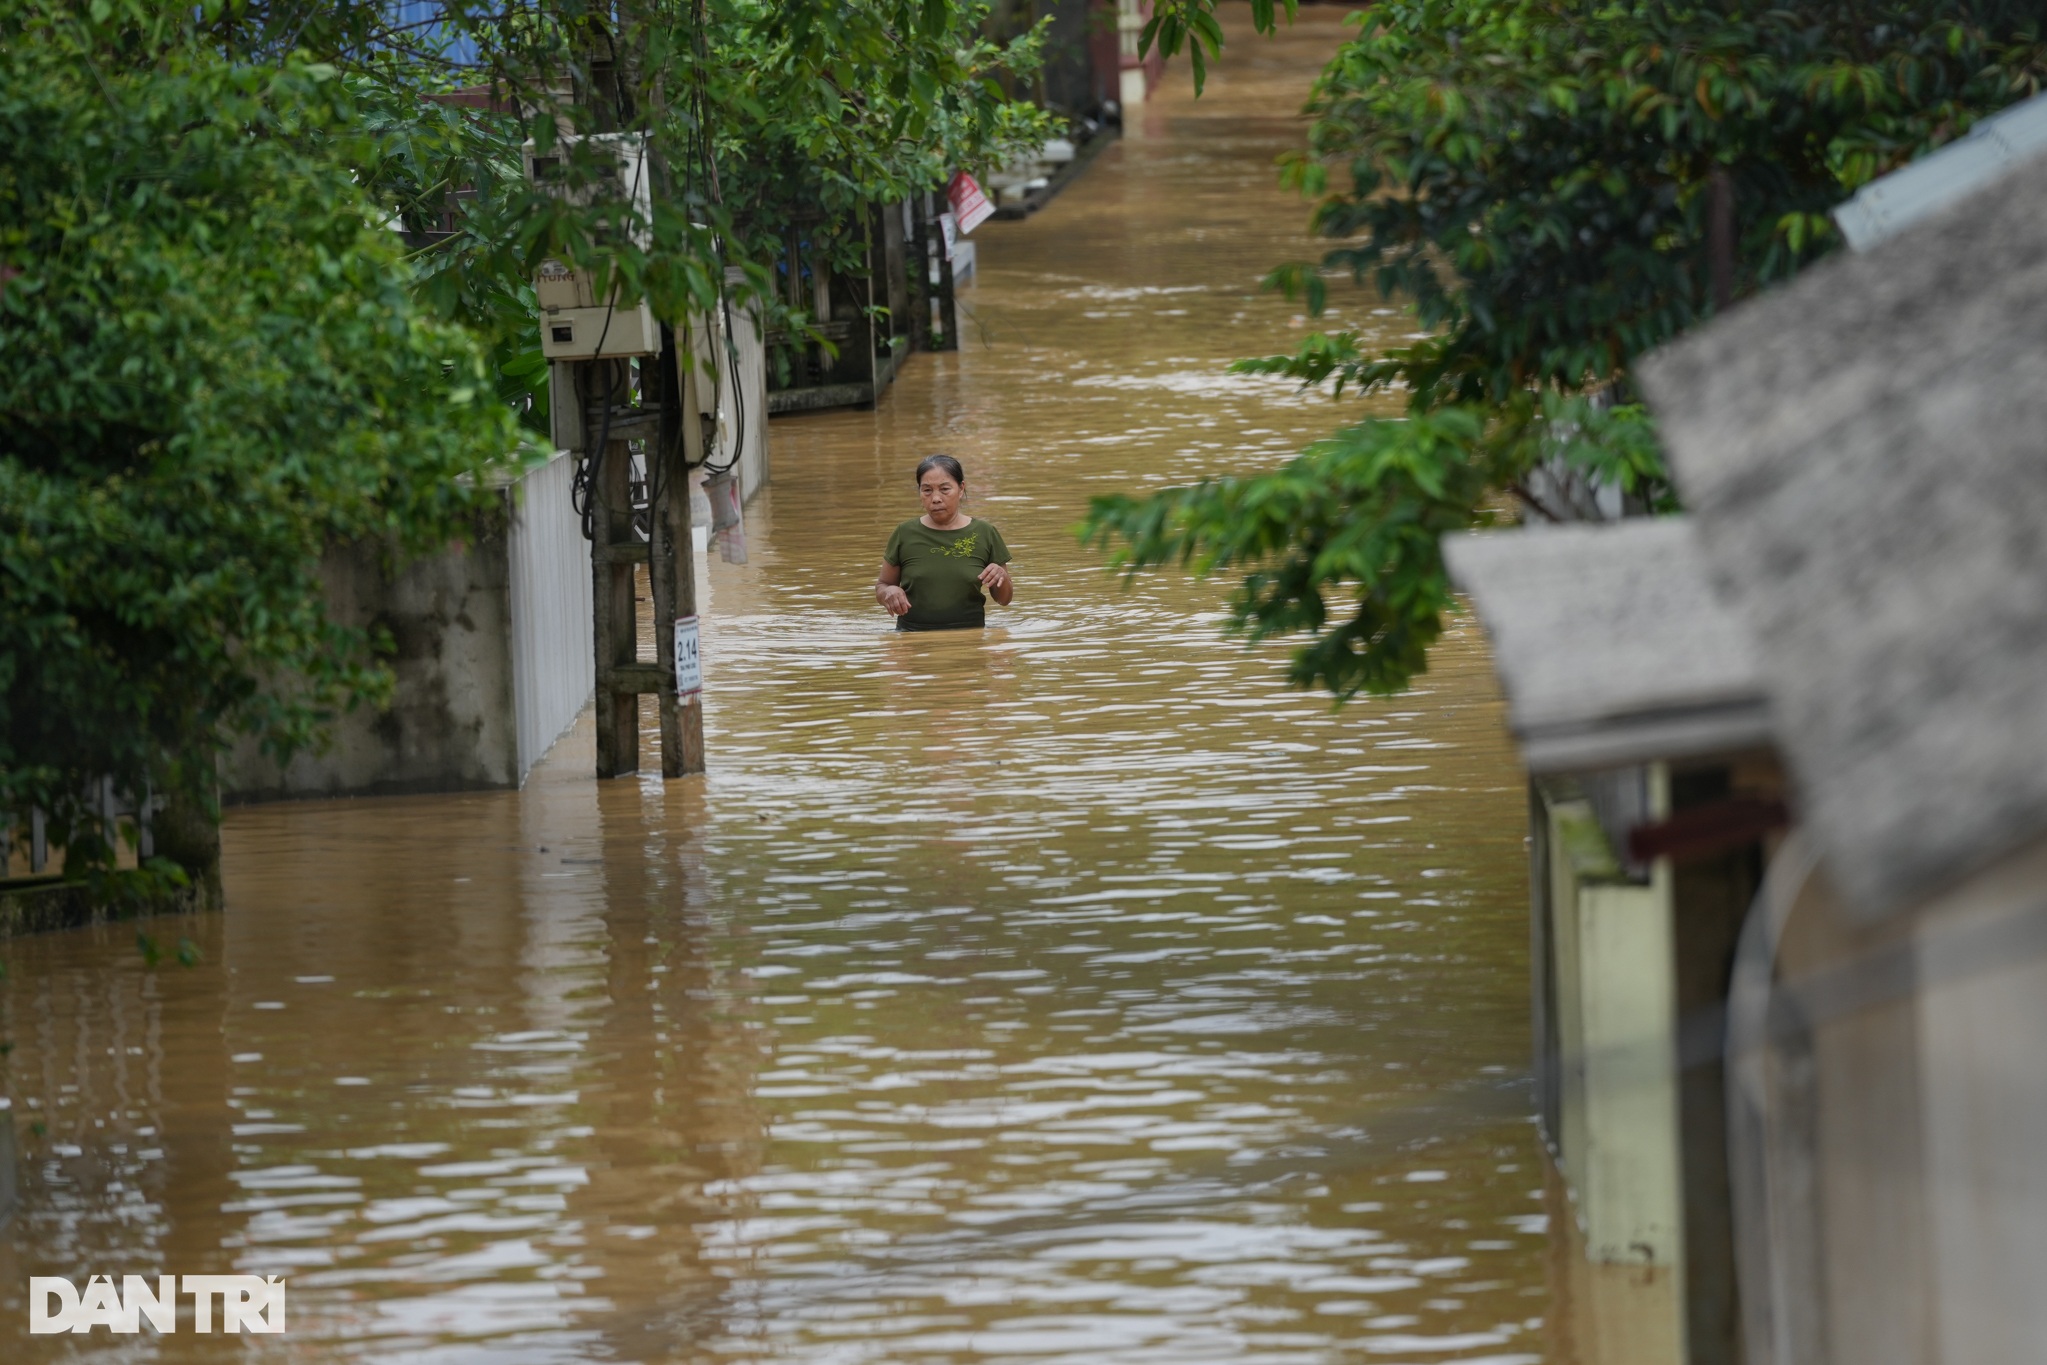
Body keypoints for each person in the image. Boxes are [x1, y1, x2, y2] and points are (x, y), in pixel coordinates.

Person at [875, 455, 1014, 630]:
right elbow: (883, 585)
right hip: (912, 637)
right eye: (927, 490)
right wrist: (889, 592)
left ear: (961, 488)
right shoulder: (905, 533)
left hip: (971, 638)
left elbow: (1004, 600)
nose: (935, 498)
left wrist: (1001, 576)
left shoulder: (985, 533)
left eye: (945, 489)